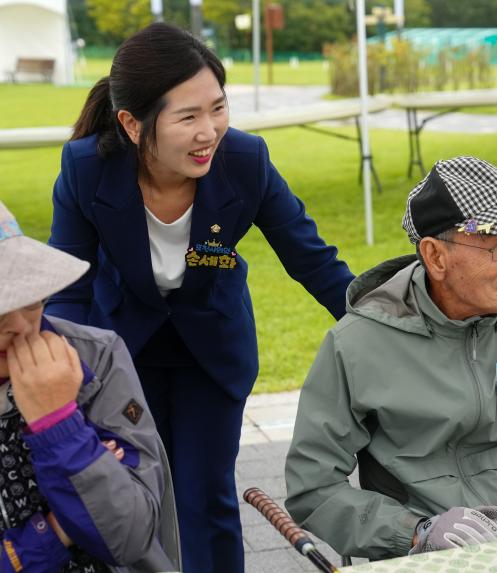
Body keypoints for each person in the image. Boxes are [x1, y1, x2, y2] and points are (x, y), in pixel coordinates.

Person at [46, 22, 354, 572]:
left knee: (206, 497)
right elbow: (68, 288)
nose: (209, 130)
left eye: (218, 107)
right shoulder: (87, 167)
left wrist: (375, 325)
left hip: (210, 350)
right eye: (187, 116)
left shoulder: (245, 160)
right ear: (132, 123)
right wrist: (63, 375)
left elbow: (312, 259)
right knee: (137, 496)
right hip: (122, 354)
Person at [284, 157, 497, 560]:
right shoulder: (357, 345)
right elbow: (313, 488)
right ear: (435, 257)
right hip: (421, 556)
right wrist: (415, 533)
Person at [0, 183, 177, 572]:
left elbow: (131, 537)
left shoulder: (95, 359)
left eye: (29, 296)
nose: (19, 325)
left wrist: (60, 425)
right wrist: (47, 536)